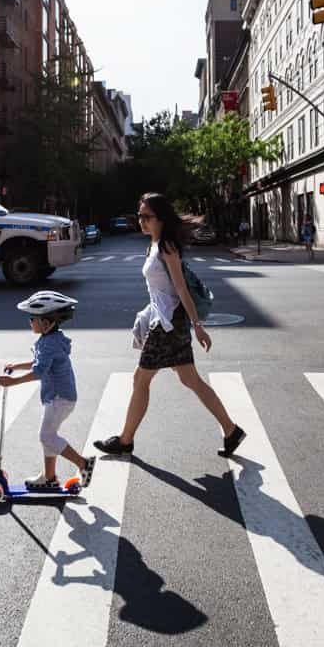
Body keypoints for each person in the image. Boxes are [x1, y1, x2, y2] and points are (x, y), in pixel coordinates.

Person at [94, 193, 245, 458]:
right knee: (190, 379)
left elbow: (180, 288)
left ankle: (126, 440)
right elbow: (160, 291)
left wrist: (197, 325)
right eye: (139, 215)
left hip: (169, 324)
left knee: (141, 379)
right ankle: (231, 430)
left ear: (161, 219)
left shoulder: (167, 248)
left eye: (147, 216)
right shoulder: (153, 244)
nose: (141, 221)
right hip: (163, 319)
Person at [0, 290, 96, 491]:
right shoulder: (51, 339)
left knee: (46, 436)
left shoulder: (48, 344)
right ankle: (49, 477)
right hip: (61, 397)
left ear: (47, 322)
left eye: (33, 318)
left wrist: (12, 382)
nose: (30, 322)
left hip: (60, 399)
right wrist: (16, 366)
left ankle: (83, 464)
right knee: (49, 435)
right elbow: (37, 363)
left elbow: (38, 371)